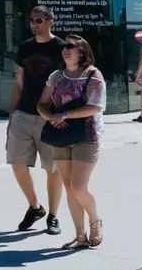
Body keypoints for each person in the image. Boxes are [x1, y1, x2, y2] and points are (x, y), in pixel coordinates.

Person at [38, 35, 105, 250]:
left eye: (71, 47)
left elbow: (95, 107)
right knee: (69, 188)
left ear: (82, 52)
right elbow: (42, 104)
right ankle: (80, 235)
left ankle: (95, 221)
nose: (65, 50)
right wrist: (51, 117)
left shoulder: (93, 75)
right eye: (64, 47)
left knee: (78, 186)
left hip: (86, 135)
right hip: (60, 136)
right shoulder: (56, 76)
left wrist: (63, 114)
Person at [6, 7, 64, 235]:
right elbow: (19, 83)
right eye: (31, 20)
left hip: (49, 116)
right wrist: (11, 117)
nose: (34, 24)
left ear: (51, 21)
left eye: (39, 20)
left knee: (52, 168)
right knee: (17, 164)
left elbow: (67, 81)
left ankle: (53, 215)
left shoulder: (61, 48)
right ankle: (35, 207)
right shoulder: (25, 47)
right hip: (23, 113)